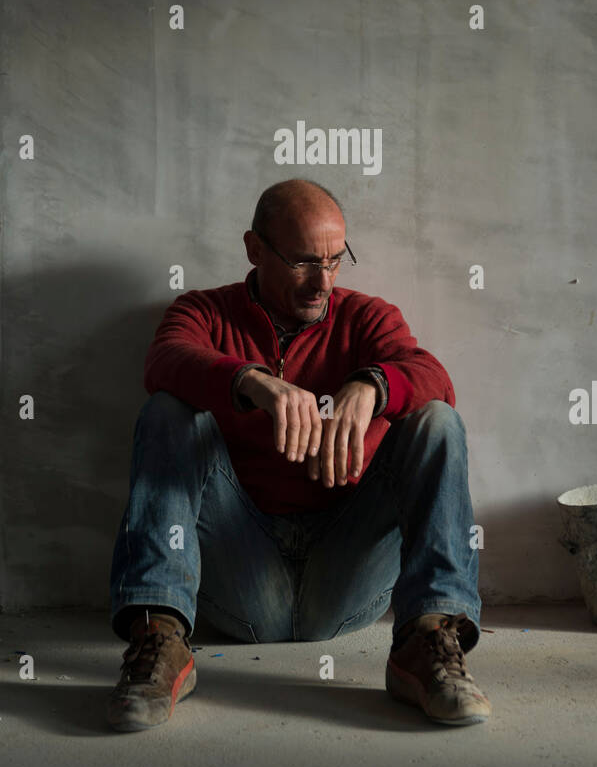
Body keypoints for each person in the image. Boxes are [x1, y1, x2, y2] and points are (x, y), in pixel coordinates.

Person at [107, 179, 490, 731]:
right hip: (242, 572)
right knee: (168, 411)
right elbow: (166, 360)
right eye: (305, 262)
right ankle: (159, 641)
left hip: (345, 574)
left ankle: (425, 641)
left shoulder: (366, 317)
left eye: (336, 261)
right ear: (254, 249)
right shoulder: (205, 312)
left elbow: (433, 376)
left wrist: (371, 385)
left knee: (437, 420)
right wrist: (252, 382)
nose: (324, 282)